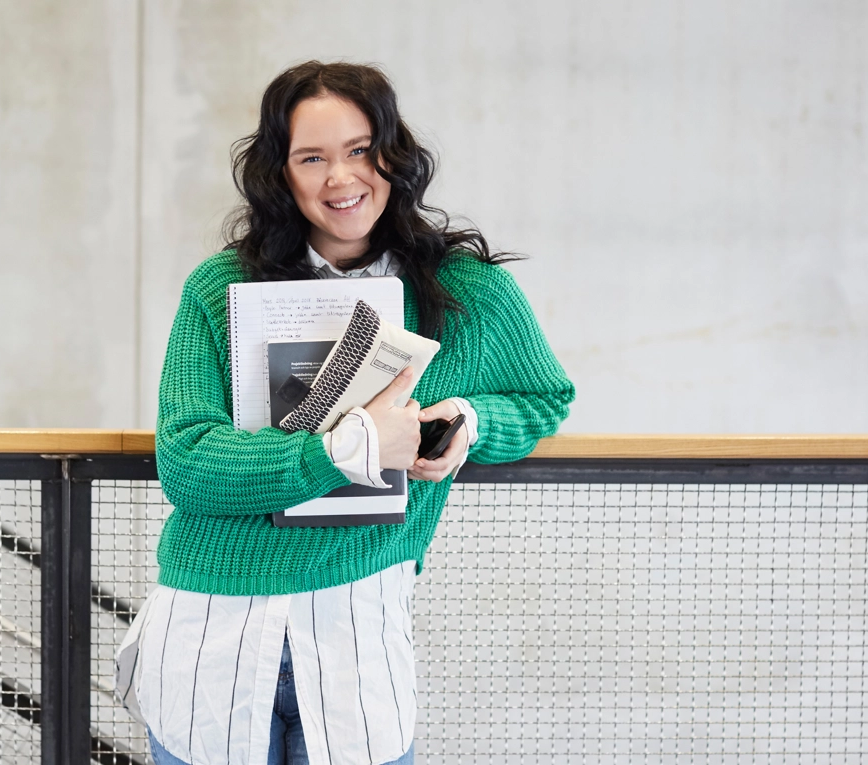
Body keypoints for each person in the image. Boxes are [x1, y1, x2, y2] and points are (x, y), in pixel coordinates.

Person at [115, 61, 574, 765]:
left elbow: (544, 398)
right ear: (280, 172)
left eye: (361, 150)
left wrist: (470, 418)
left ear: (394, 155)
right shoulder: (222, 288)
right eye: (312, 157)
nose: (341, 177)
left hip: (357, 622)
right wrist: (345, 448)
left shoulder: (467, 293)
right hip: (211, 625)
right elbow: (186, 461)